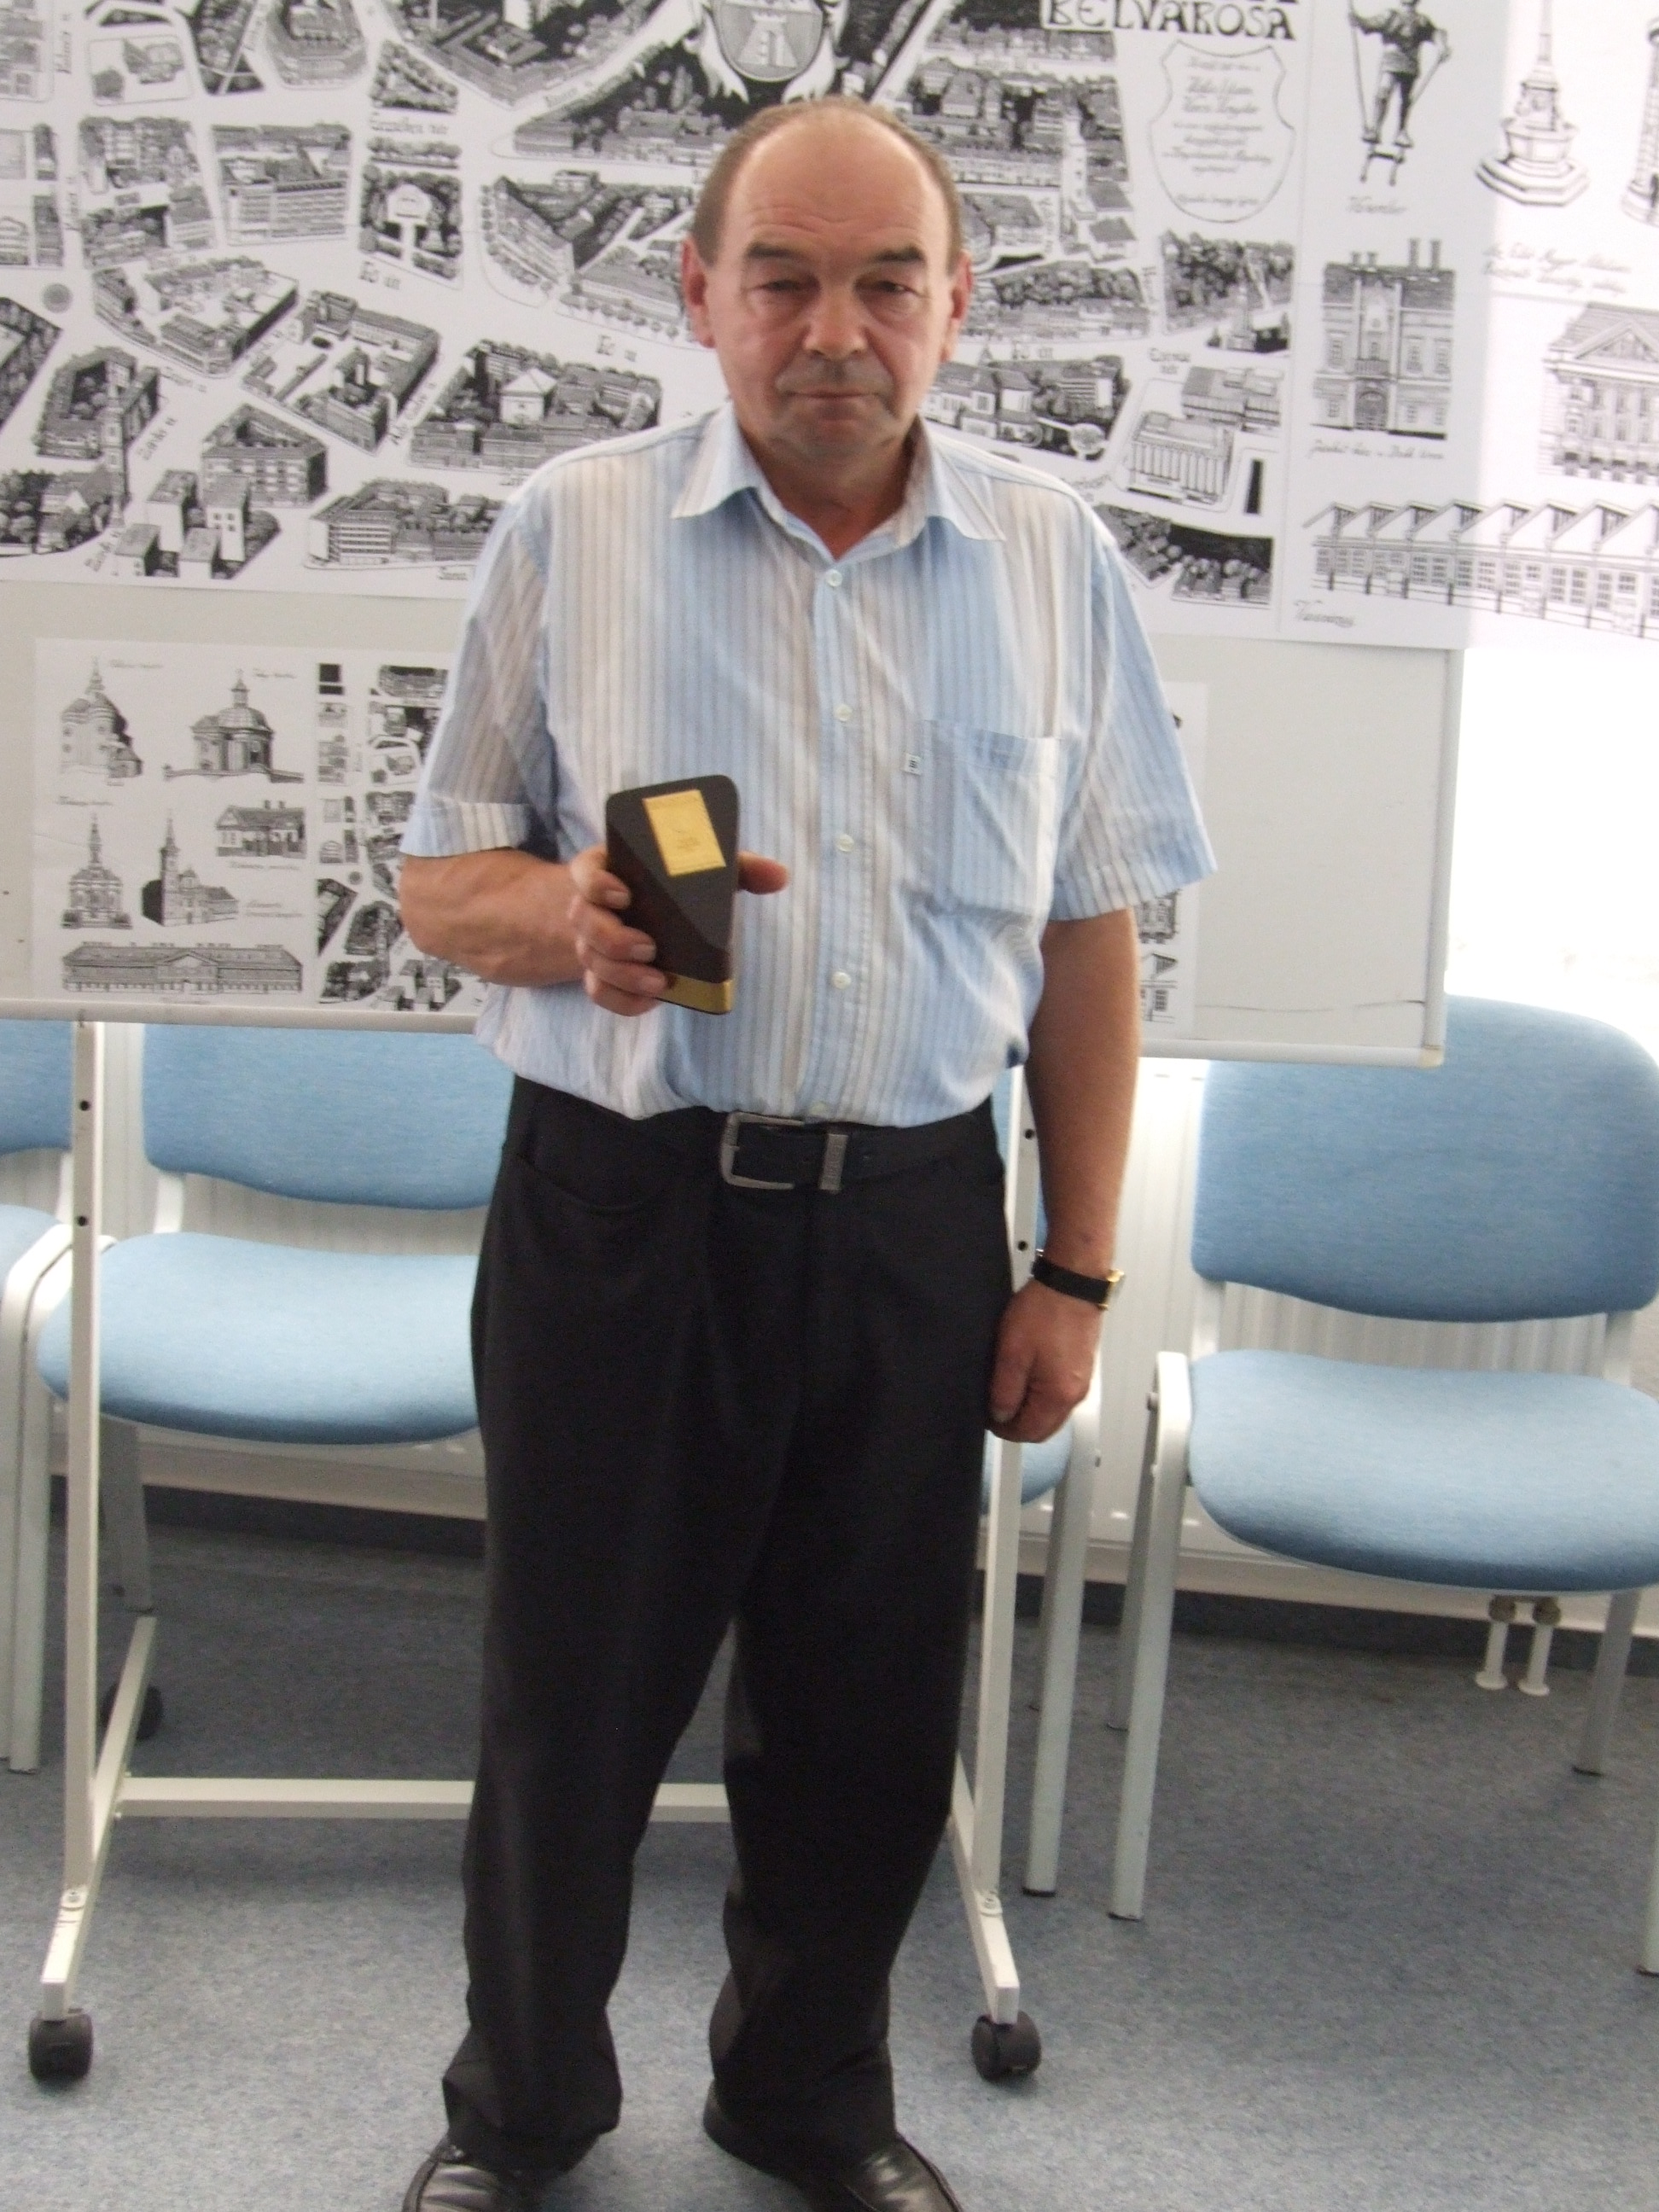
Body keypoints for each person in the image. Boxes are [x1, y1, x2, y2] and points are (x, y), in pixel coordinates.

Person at [397, 95, 1211, 2212]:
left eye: (881, 283)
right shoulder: (572, 530)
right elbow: (437, 880)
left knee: (865, 1718)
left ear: (955, 305)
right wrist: (565, 920)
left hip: (916, 1221)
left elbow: (1088, 932)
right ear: (699, 295)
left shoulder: (1050, 558)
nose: (832, 330)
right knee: (569, 1710)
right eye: (781, 280)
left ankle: (805, 2104)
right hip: (623, 1211)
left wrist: (1077, 1267)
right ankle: (520, 2118)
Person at [1351, 0, 1448, 154]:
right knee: (1384, 93)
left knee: (1405, 99)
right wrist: (1357, 20)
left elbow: (1436, 33)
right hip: (1391, 61)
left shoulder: (1421, 21)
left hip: (1410, 64)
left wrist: (1442, 46)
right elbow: (1370, 24)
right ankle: (1375, 129)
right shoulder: (1390, 16)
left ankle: (1401, 131)